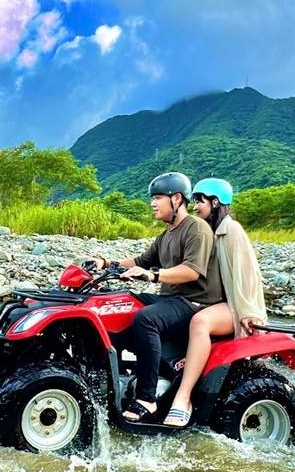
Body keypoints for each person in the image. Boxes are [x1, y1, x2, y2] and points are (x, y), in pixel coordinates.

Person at [90, 172, 223, 422]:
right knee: (121, 305)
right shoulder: (166, 235)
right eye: (152, 198)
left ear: (177, 199)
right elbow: (141, 261)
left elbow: (192, 271)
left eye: (158, 197)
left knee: (146, 319)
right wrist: (106, 263)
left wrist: (153, 275)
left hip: (195, 303)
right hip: (172, 300)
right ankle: (109, 378)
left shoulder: (196, 228)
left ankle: (147, 398)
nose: (153, 203)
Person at [163, 177, 267, 428]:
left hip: (236, 306)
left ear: (216, 202)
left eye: (200, 201)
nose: (196, 206)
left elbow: (247, 274)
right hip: (218, 302)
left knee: (200, 322)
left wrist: (248, 313)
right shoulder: (207, 230)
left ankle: (183, 397)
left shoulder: (231, 230)